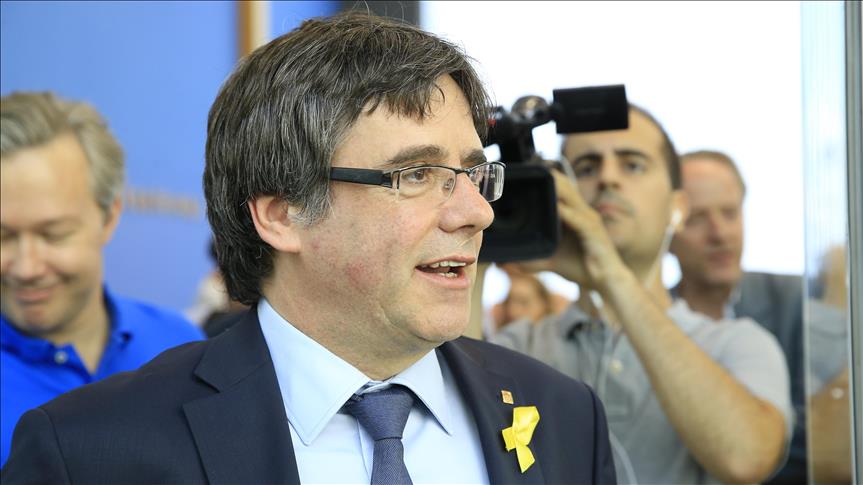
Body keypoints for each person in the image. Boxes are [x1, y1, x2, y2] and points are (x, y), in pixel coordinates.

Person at [2, 14, 616, 484]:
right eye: (416, 175)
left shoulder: (563, 417)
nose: (477, 212)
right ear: (281, 214)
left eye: (473, 173)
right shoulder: (90, 452)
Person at [492, 105, 792, 484]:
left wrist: (610, 275)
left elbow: (746, 460)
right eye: (585, 168)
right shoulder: (520, 345)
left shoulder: (736, 342)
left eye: (633, 165)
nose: (607, 178)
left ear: (677, 209)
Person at [0, 92, 204, 466]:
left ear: (109, 218)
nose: (26, 267)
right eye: (3, 237)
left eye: (53, 234)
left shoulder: (180, 344)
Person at [669, 149, 850, 484]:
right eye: (696, 219)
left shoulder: (797, 301)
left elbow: (831, 440)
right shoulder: (650, 322)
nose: (720, 234)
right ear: (664, 231)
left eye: (730, 213)